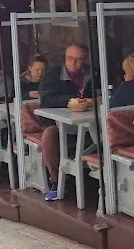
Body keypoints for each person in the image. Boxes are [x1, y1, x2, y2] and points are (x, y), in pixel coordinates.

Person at [39, 43, 98, 201]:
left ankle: (103, 177)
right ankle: (56, 181)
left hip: (88, 120)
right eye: (70, 58)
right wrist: (74, 100)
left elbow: (101, 92)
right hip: (57, 122)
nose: (73, 62)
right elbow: (46, 99)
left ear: (85, 60)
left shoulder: (94, 73)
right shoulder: (52, 74)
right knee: (48, 136)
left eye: (78, 59)